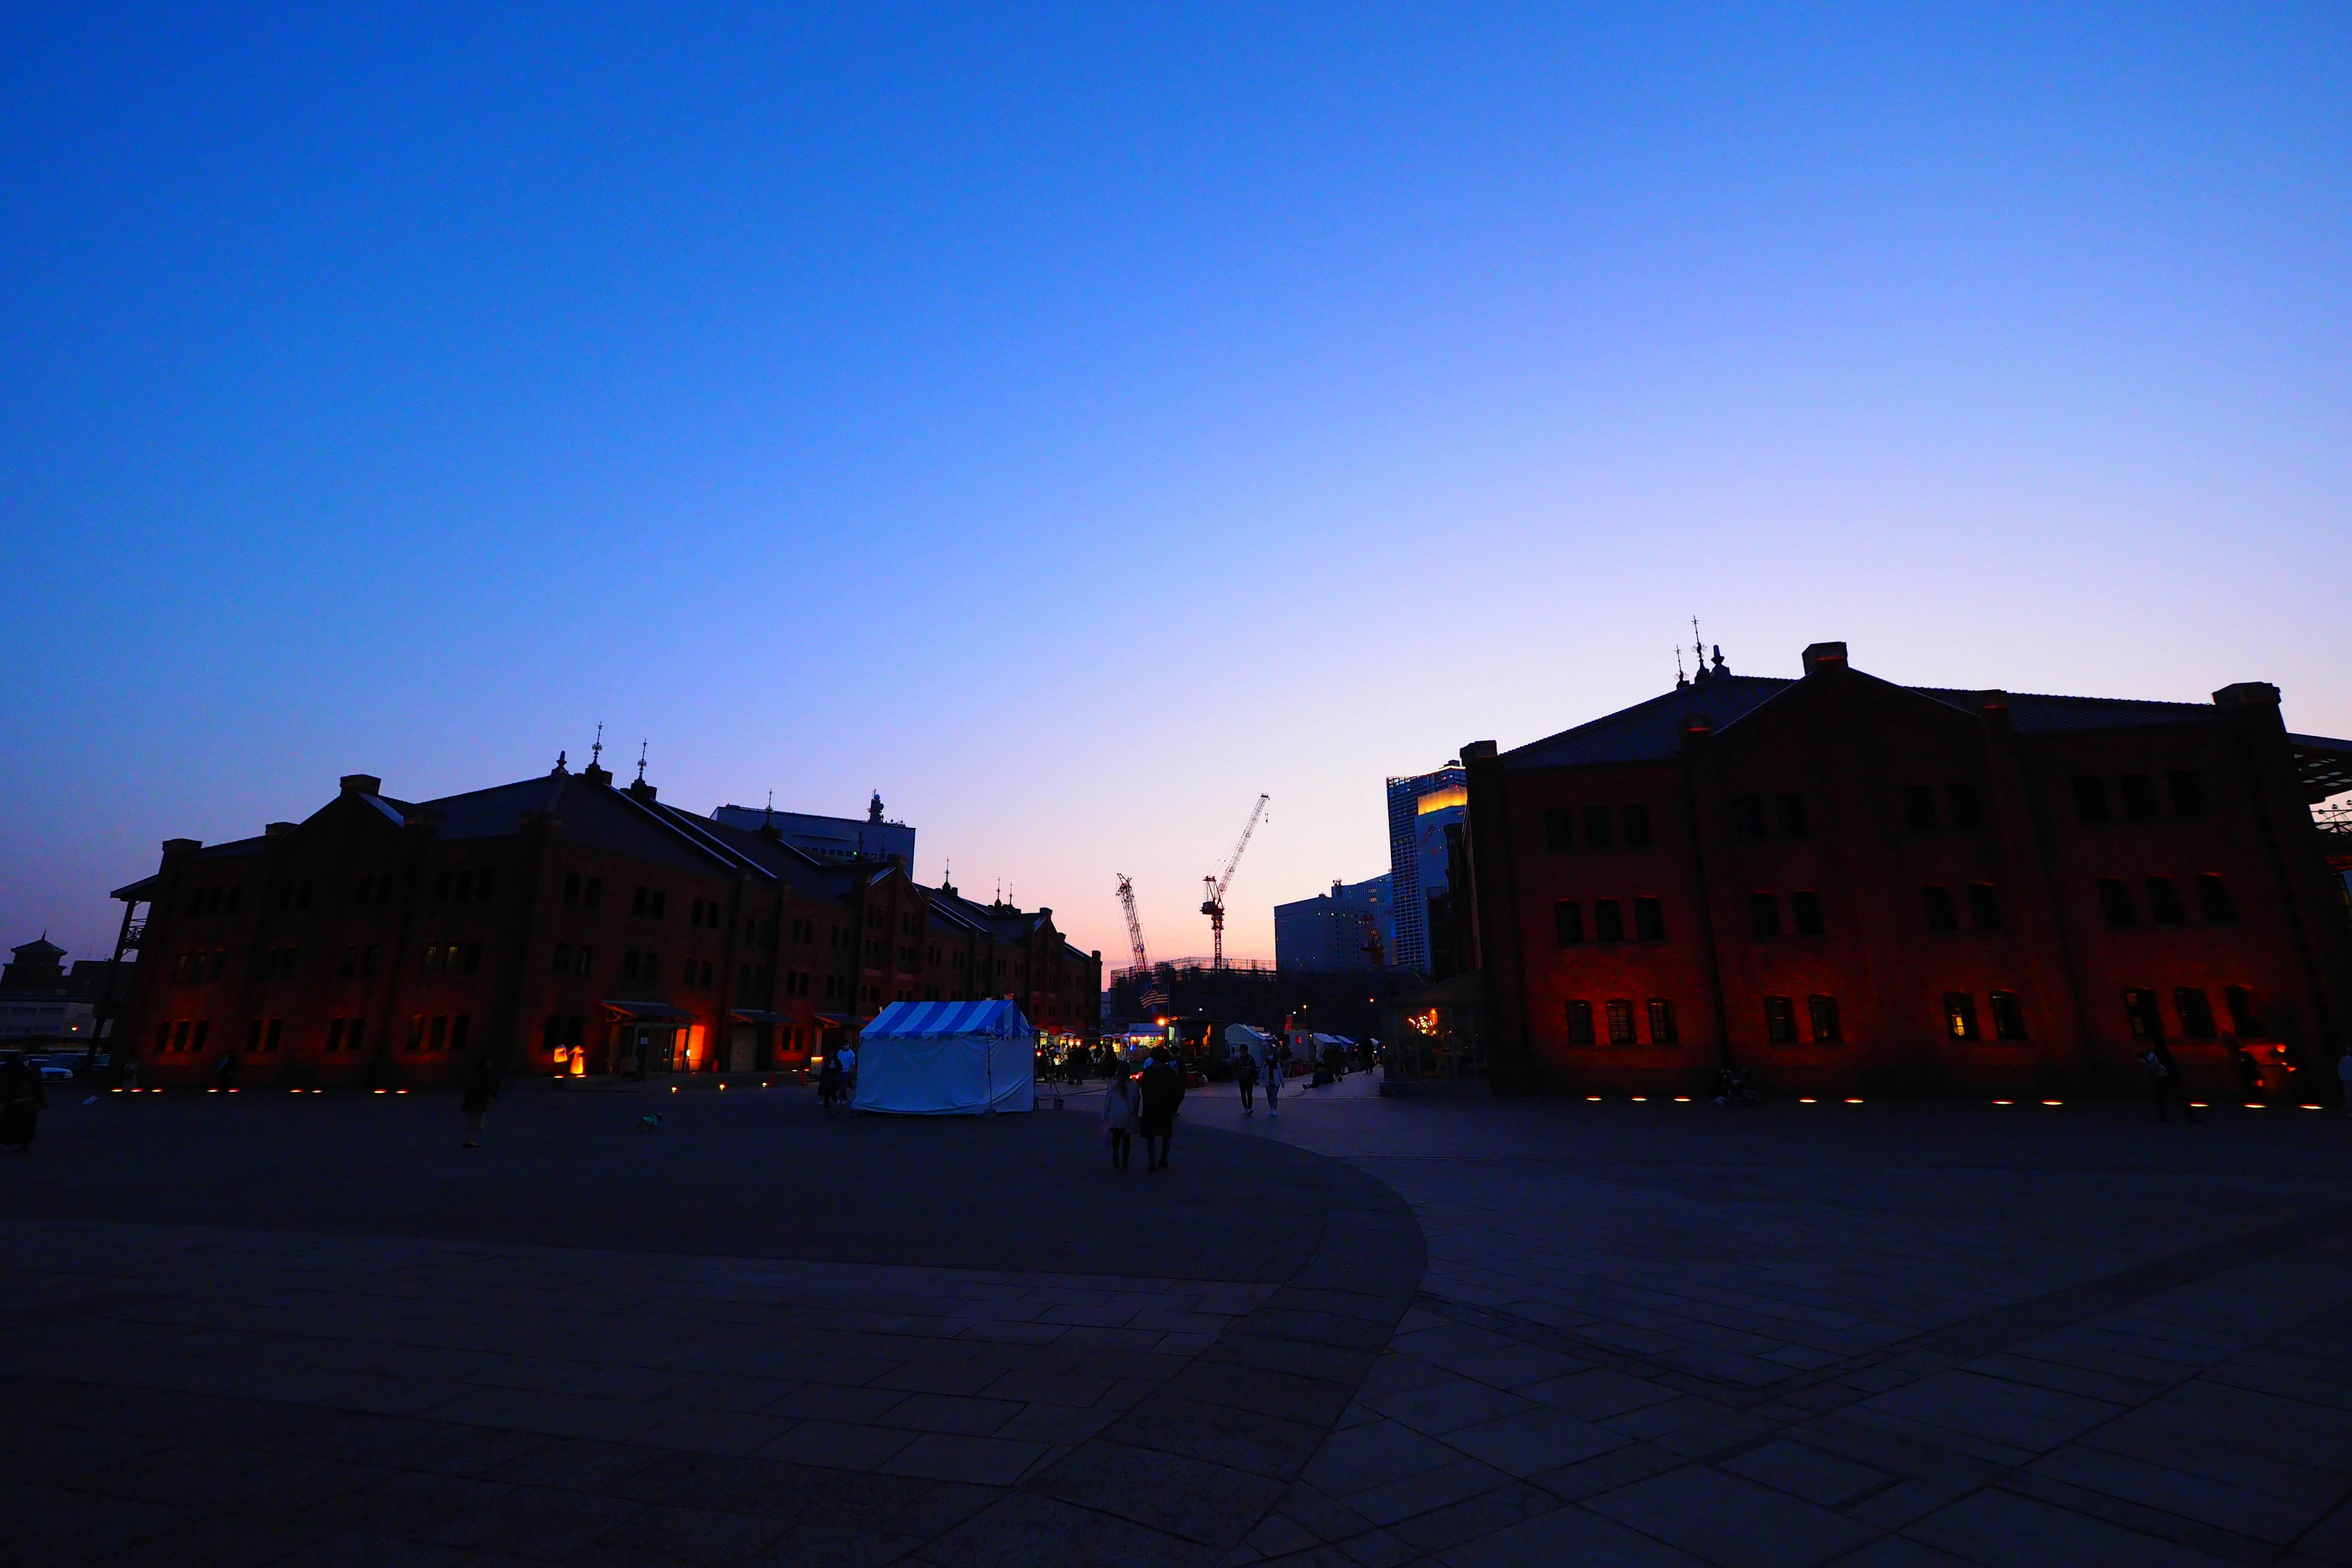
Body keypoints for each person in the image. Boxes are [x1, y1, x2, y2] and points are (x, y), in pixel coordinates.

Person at [1137, 1047, 1182, 1170]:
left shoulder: (1148, 1072)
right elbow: (1175, 1091)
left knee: (1150, 1135)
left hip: (1150, 1107)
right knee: (1166, 1134)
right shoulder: (1169, 1072)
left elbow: (1144, 1090)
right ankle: (1163, 1159)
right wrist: (1174, 1108)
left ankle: (1152, 1161)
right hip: (1165, 1106)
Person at [2141, 1037, 2197, 1123]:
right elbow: (2171, 1065)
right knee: (2178, 1097)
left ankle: (2163, 1116)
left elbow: (2153, 1067)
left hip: (2163, 1078)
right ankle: (2190, 1116)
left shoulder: (2153, 1054)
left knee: (2164, 1098)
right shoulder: (2163, 1053)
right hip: (2168, 1078)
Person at [0, 1054, 43, 1153]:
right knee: (25, 1126)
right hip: (26, 1105)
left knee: (11, 1123)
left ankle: (20, 1143)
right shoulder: (28, 1077)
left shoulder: (15, 1074)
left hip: (22, 1103)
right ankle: (24, 1144)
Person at [460, 1050, 501, 1148]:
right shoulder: (483, 1075)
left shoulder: (480, 1074)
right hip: (478, 1101)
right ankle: (469, 1140)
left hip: (477, 1100)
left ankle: (470, 1140)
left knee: (475, 1120)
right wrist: (495, 1094)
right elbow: (486, 1086)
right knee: (475, 1120)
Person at [1102, 1060, 1137, 1169]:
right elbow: (1136, 1102)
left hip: (1115, 1115)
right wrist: (1134, 1114)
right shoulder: (1133, 1086)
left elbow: (1108, 1101)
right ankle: (1125, 1160)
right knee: (1127, 1139)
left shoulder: (1113, 1085)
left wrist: (1105, 1115)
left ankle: (1115, 1155)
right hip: (1127, 1115)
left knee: (1116, 1137)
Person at [1262, 1039, 1283, 1118]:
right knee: (1269, 1096)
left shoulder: (1277, 1064)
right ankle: (1271, 1107)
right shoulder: (1265, 1064)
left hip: (1276, 1083)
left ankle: (1274, 1109)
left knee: (1274, 1096)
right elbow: (1262, 1073)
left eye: (1271, 1054)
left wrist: (1283, 1083)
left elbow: (1280, 1074)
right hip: (1268, 1083)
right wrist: (1259, 1081)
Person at [818, 1050, 843, 1114]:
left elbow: (841, 1068)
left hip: (834, 1079)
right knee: (827, 1093)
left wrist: (835, 1068)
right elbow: (823, 1069)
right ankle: (827, 1106)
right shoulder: (826, 1061)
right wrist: (828, 1067)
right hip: (827, 1079)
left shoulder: (837, 1061)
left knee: (832, 1092)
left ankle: (836, 1103)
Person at [835, 1041, 858, 1107]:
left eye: (847, 1045)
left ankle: (840, 1098)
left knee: (843, 1085)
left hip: (847, 1071)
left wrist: (851, 1071)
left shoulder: (851, 1053)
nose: (846, 1046)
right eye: (845, 1045)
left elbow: (853, 1064)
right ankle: (844, 1098)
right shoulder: (839, 1052)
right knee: (842, 1084)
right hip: (840, 1070)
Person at [1237, 1046, 1258, 1114]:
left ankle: (1249, 1108)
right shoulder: (1240, 1059)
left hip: (1249, 1079)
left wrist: (1254, 1080)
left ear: (1245, 1050)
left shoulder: (1251, 1059)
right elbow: (1237, 1069)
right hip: (1242, 1079)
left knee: (1249, 1094)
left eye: (1241, 1050)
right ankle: (1246, 1108)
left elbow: (1254, 1070)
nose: (1240, 1052)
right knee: (1243, 1094)